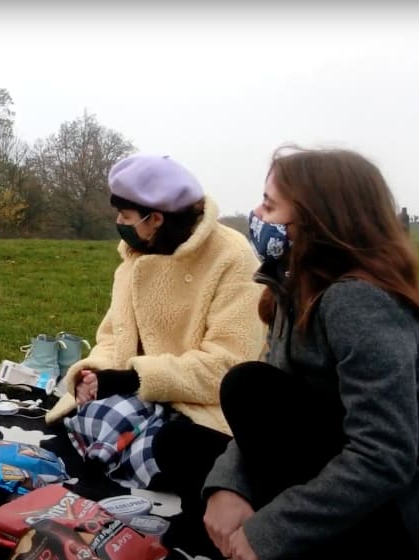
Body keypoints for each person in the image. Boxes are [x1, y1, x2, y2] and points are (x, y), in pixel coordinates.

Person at [203, 147, 419, 560]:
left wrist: (270, 531)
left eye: (269, 204)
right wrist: (226, 487)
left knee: (247, 387)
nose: (256, 214)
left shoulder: (357, 301)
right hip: (360, 471)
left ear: (316, 220)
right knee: (184, 443)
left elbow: (385, 455)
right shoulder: (294, 289)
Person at [46, 154, 267, 558]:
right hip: (139, 392)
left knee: (182, 445)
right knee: (87, 411)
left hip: (202, 402)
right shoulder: (132, 260)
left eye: (127, 216)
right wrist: (94, 373)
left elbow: (228, 366)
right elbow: (113, 336)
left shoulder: (232, 259)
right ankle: (130, 456)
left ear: (156, 219)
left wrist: (134, 378)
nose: (120, 226)